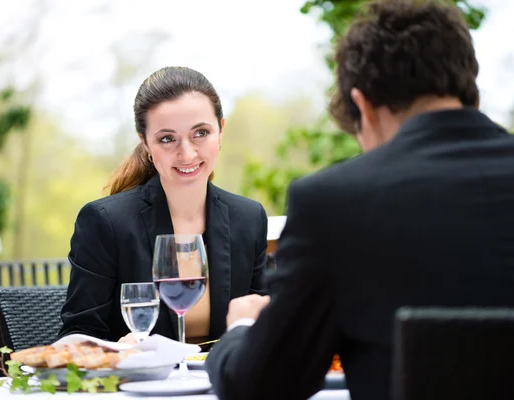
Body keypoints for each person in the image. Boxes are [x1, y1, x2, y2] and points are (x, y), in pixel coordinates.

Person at [205, 1, 514, 399]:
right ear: (469, 93)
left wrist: (243, 327)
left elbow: (258, 386)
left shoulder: (334, 203)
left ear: (363, 106)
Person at [58, 66, 268, 345]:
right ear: (144, 143)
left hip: (224, 383)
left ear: (221, 131)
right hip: (136, 385)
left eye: (201, 133)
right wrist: (121, 351)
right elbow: (76, 336)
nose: (187, 153)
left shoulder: (249, 218)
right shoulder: (105, 222)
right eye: (167, 139)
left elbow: (265, 325)